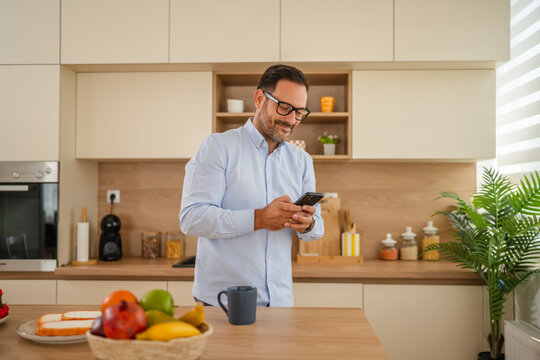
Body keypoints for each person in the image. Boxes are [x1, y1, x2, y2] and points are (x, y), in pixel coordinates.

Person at [179, 64, 324, 307]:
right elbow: (192, 218)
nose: (292, 120)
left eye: (299, 112)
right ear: (259, 98)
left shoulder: (301, 161)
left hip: (279, 304)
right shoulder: (217, 148)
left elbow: (316, 229)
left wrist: (307, 224)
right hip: (223, 303)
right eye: (285, 107)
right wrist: (259, 218)